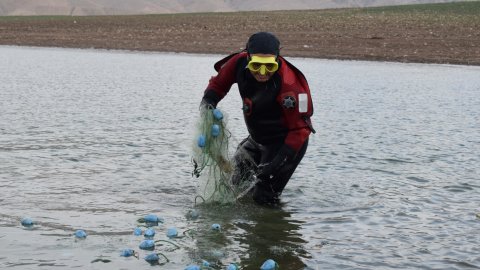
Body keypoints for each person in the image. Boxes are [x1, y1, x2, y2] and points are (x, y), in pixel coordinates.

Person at [200, 32, 315, 205]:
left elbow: (301, 130)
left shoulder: (290, 85)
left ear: (277, 60)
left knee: (264, 197)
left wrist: (276, 164)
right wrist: (208, 102)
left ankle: (272, 228)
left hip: (286, 145)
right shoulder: (238, 63)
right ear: (247, 58)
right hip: (256, 139)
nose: (262, 73)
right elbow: (218, 84)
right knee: (233, 183)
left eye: (269, 67)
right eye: (256, 66)